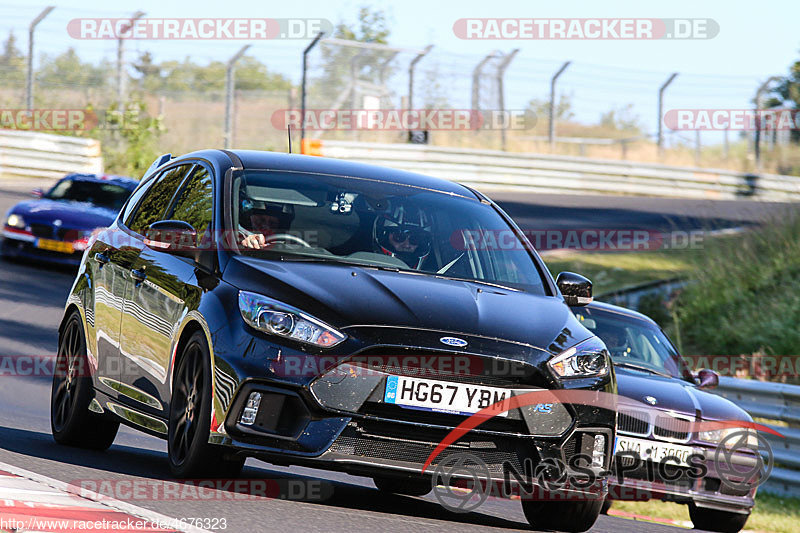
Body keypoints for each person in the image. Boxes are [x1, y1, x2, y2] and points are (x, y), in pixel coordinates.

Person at [373, 198, 433, 269]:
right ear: (383, 237)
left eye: (415, 239)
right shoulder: (360, 263)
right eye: (399, 237)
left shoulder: (435, 275)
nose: (407, 245)